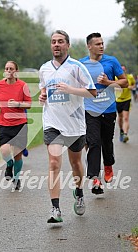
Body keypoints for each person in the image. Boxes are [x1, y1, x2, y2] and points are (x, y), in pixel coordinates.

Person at [39, 30, 96, 223]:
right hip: (52, 123)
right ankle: (55, 209)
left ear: (68, 45)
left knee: (75, 163)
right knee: (54, 162)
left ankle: (79, 192)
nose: (56, 44)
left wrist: (70, 89)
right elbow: (44, 90)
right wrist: (42, 96)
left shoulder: (77, 67)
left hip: (74, 124)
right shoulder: (44, 68)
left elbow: (92, 92)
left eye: (60, 41)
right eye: (53, 41)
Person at [79, 33, 128, 194]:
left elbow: (125, 82)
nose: (101, 46)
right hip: (90, 110)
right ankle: (95, 179)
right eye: (97, 44)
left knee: (107, 142)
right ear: (89, 46)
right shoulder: (82, 64)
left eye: (102, 43)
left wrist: (108, 82)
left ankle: (108, 165)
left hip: (108, 110)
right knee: (93, 142)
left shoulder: (111, 61)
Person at [0, 61, 32, 191]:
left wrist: (17, 104)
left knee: (17, 155)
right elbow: (0, 99)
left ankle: (16, 178)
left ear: (16, 71)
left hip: (20, 124)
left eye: (11, 68)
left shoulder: (23, 86)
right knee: (4, 150)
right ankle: (9, 165)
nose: (8, 70)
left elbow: (29, 104)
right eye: (6, 68)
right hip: (4, 123)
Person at [116, 65, 135, 143]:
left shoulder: (130, 77)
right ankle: (121, 130)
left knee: (126, 118)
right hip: (118, 100)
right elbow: (111, 86)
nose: (123, 71)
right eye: (121, 70)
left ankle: (125, 134)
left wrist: (131, 87)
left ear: (126, 70)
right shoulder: (116, 78)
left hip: (127, 99)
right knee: (120, 118)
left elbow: (133, 85)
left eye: (124, 70)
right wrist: (119, 87)